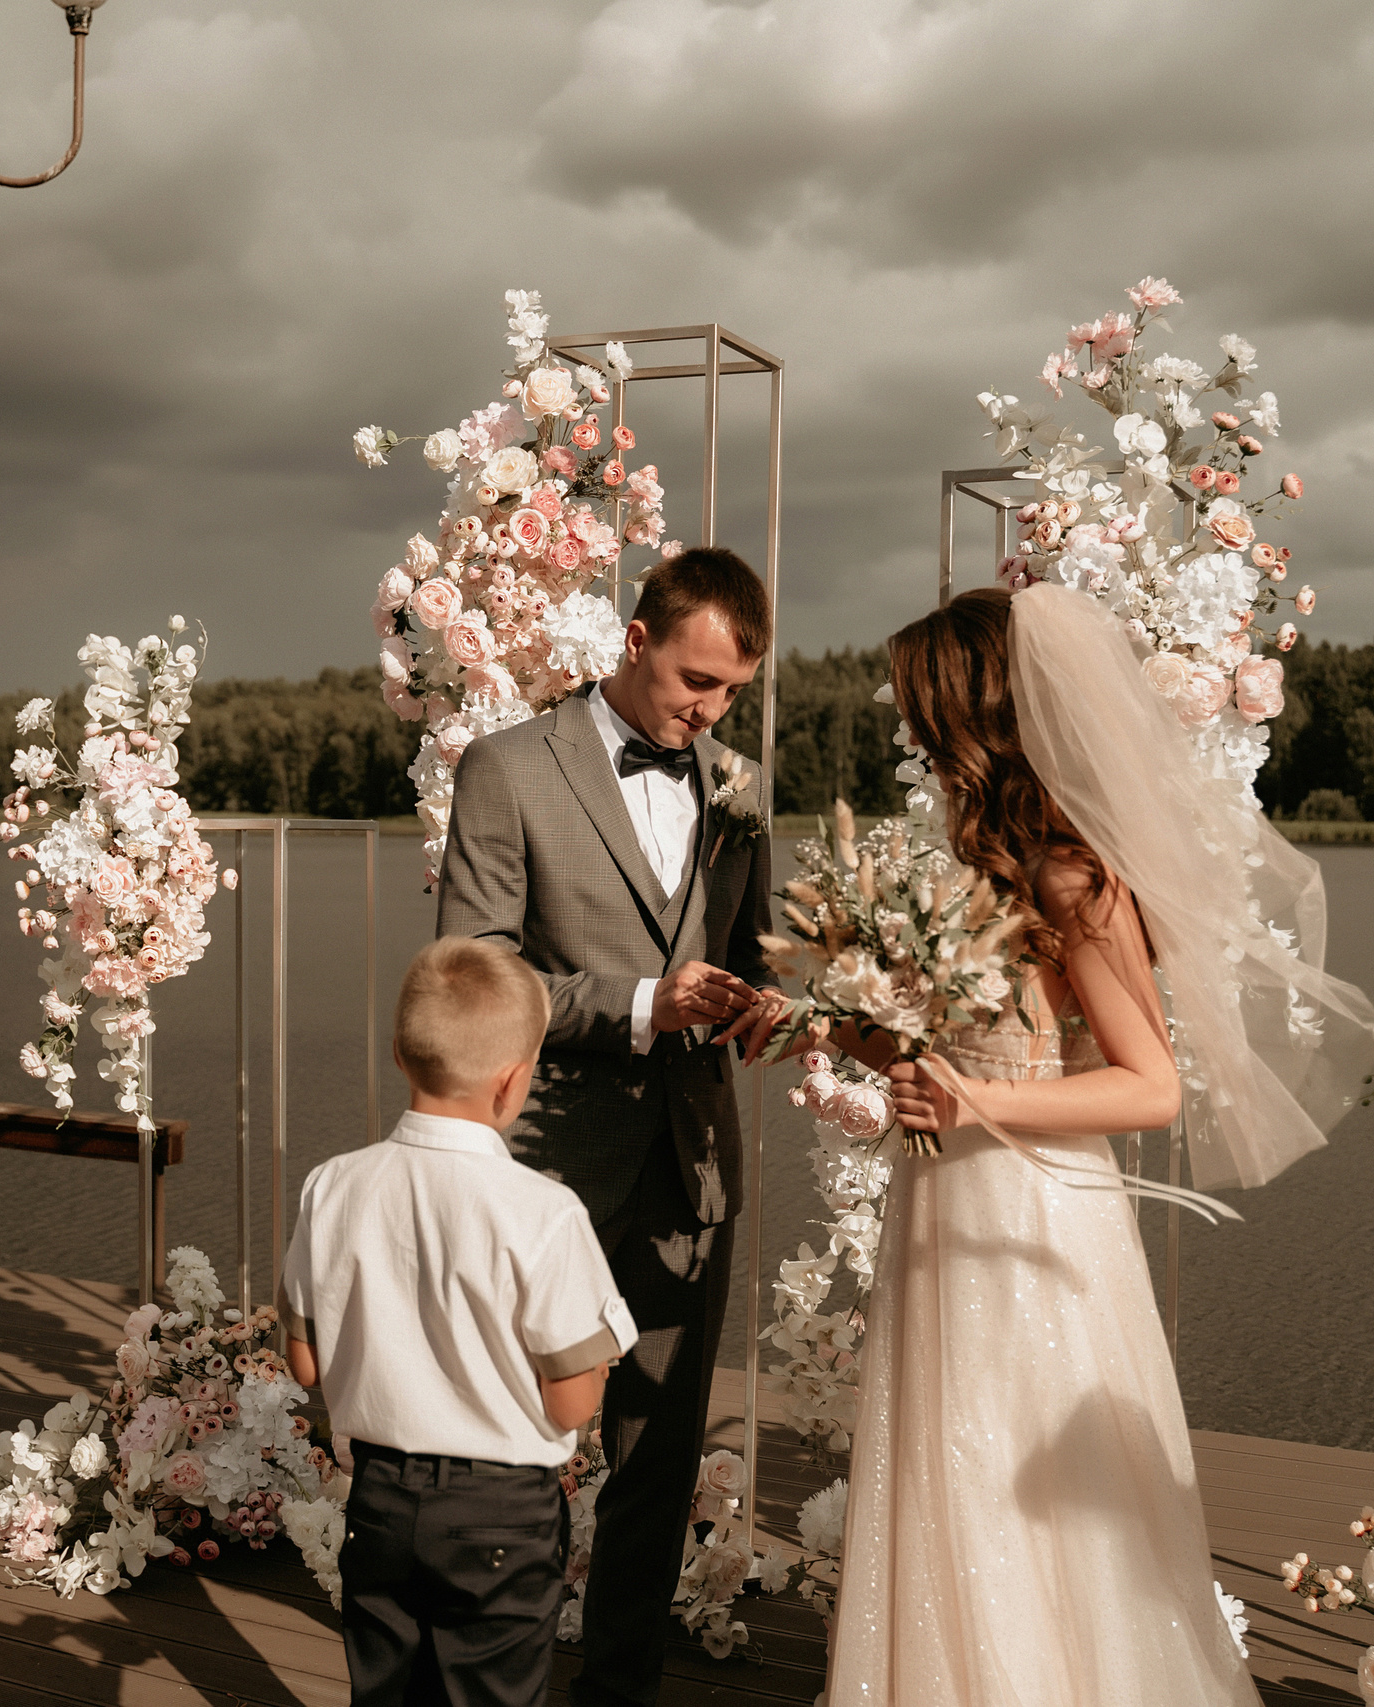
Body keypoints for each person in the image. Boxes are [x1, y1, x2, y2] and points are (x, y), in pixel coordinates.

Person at [824, 584, 1374, 1705]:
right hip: (942, 1202)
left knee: (1024, 1475)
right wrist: (843, 1024)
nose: (914, 734)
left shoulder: (1074, 878)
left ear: (975, 719)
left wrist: (974, 1102)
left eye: (925, 713)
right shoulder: (968, 866)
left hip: (1032, 1211)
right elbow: (960, 1044)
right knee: (952, 1462)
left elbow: (1149, 1086)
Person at [435, 546, 783, 1707]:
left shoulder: (740, 786)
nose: (711, 711)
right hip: (548, 1169)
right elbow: (471, 974)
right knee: (516, 1445)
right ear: (635, 642)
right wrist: (639, 1007)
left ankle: (619, 1688)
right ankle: (495, 1678)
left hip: (692, 1167)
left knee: (657, 1457)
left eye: (733, 691)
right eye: (696, 681)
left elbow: (755, 952)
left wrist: (767, 1003)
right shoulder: (506, 769)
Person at [280, 936, 638, 1707]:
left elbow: (305, 1364)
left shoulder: (330, 1186)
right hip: (501, 1512)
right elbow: (571, 1403)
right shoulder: (546, 1212)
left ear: (400, 1054)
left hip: (379, 1501)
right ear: (514, 1080)